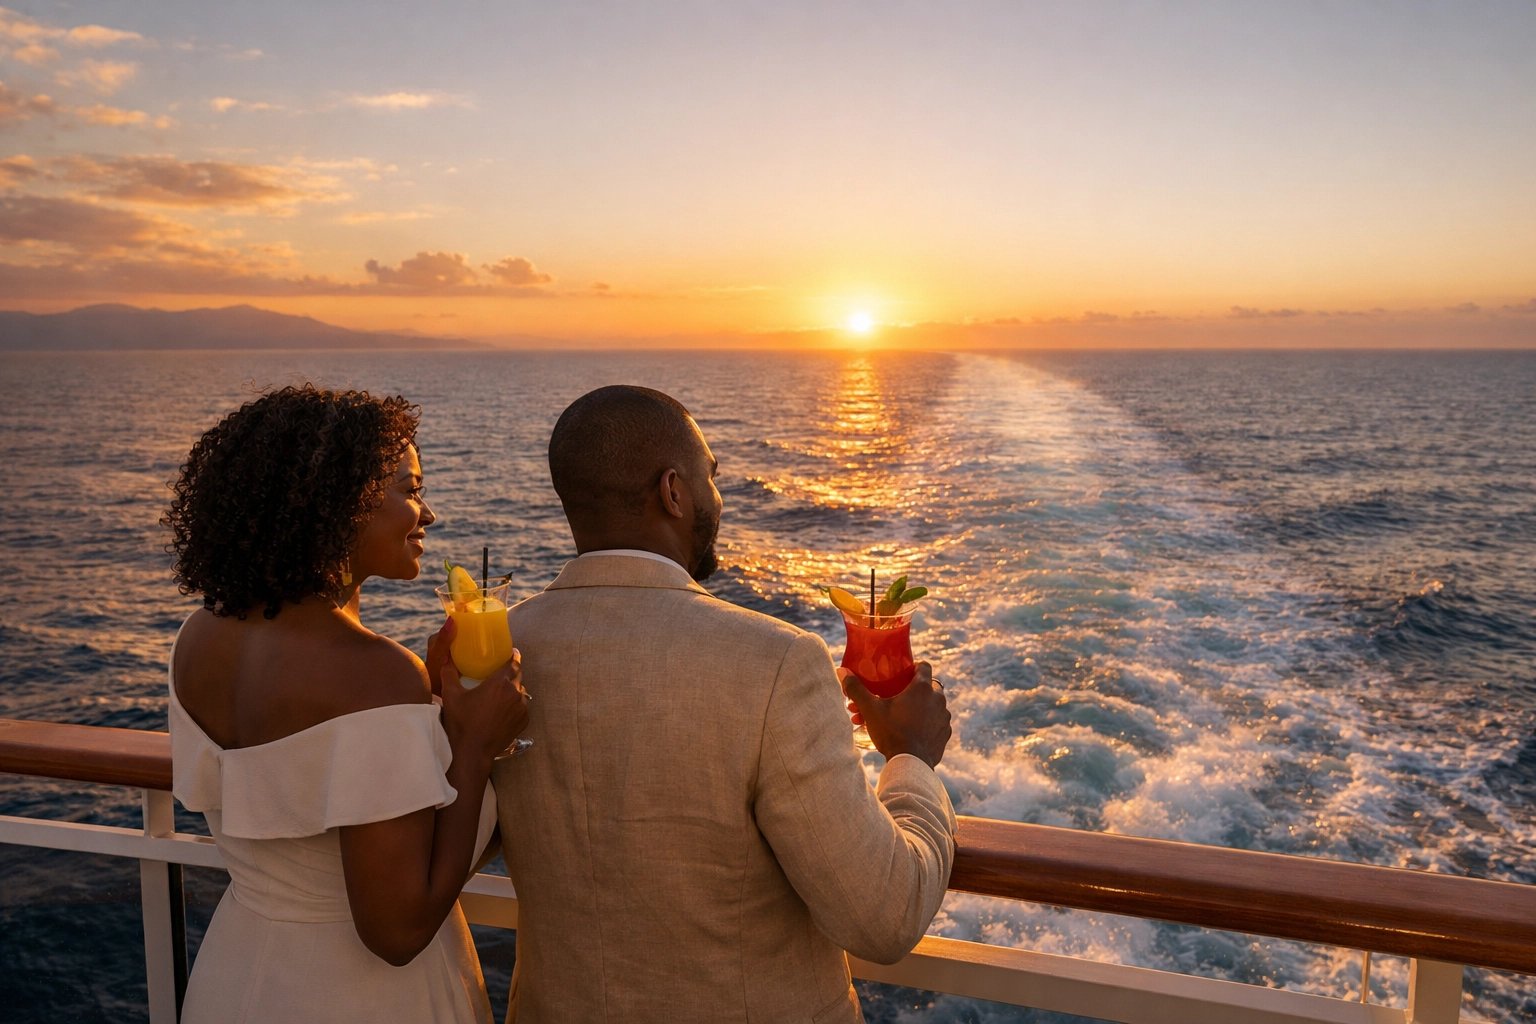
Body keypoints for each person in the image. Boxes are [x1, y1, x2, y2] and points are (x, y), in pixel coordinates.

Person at [492, 385, 956, 1023]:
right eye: (711, 478)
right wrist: (912, 758)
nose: (719, 497)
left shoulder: (498, 653)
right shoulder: (776, 661)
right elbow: (883, 916)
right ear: (673, 492)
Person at [163, 385, 529, 1024]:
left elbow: (307, 780)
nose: (428, 513)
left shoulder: (198, 637)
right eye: (411, 489)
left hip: (237, 971)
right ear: (339, 505)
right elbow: (396, 932)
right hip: (361, 999)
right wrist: (471, 746)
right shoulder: (375, 676)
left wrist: (432, 715)